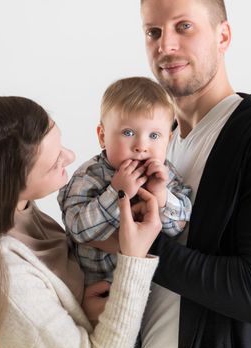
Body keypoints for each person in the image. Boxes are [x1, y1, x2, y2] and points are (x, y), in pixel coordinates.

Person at [0, 96, 162, 348]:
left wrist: (79, 310)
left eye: (61, 144)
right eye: (55, 161)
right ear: (9, 185)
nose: (70, 156)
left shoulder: (19, 212)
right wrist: (134, 257)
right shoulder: (6, 279)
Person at [139, 0, 251, 348]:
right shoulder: (153, 141)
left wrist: (137, 248)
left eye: (183, 26)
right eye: (153, 32)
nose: (165, 45)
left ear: (224, 36)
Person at [58, 77, 192, 286]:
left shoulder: (165, 174)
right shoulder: (89, 176)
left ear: (169, 139)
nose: (141, 146)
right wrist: (116, 192)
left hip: (141, 286)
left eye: (154, 135)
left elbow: (178, 229)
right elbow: (77, 229)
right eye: (128, 133)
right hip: (90, 287)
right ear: (102, 136)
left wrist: (161, 195)